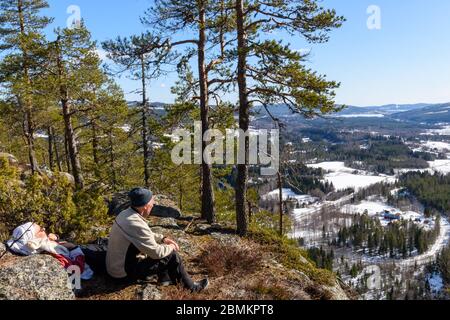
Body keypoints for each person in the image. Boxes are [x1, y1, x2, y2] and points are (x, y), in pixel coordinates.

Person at [106, 187, 208, 292]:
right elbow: (156, 253)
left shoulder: (126, 214)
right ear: (145, 207)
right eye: (151, 202)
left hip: (115, 267)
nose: (153, 204)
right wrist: (171, 247)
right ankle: (191, 288)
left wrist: (163, 239)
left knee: (155, 247)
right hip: (122, 274)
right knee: (171, 255)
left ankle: (165, 278)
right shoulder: (135, 223)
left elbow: (145, 235)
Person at [5, 222, 94, 280]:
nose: (43, 229)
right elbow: (77, 269)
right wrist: (73, 248)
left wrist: (56, 238)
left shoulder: (42, 246)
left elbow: (52, 243)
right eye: (40, 230)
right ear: (34, 239)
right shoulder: (52, 256)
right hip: (83, 260)